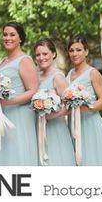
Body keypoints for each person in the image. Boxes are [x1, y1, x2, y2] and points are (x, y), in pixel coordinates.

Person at [0, 22, 39, 166]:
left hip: (19, 116)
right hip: (3, 114)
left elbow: (32, 91)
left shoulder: (24, 60)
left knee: (19, 153)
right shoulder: (2, 62)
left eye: (12, 35)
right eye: (5, 34)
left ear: (20, 39)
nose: (8, 38)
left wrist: (8, 102)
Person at [66, 35, 102, 166]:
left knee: (91, 159)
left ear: (86, 51)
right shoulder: (69, 74)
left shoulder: (93, 73)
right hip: (72, 123)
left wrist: (86, 109)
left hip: (90, 123)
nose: (74, 54)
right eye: (71, 50)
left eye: (78, 50)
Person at [34, 38, 75, 166]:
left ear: (53, 54)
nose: (41, 58)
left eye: (45, 54)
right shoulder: (36, 76)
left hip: (55, 129)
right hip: (37, 127)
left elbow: (69, 106)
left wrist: (51, 115)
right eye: (38, 55)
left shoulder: (58, 77)